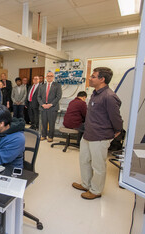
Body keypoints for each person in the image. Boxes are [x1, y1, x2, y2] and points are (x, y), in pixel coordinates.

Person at [72, 67, 122, 200]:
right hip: (88, 134)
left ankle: (96, 190)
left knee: (98, 165)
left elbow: (116, 118)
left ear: (102, 79)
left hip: (100, 136)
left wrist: (117, 131)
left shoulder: (109, 96)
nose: (90, 78)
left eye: (93, 76)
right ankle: (86, 184)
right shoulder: (95, 93)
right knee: (84, 161)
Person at [37, 72, 62, 142]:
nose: (49, 77)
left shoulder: (57, 85)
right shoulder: (42, 86)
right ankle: (43, 135)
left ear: (53, 77)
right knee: (44, 122)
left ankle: (50, 136)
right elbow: (38, 97)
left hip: (53, 107)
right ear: (46, 77)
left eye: (51, 76)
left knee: (51, 123)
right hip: (43, 107)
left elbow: (58, 96)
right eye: (48, 76)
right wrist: (42, 104)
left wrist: (50, 104)